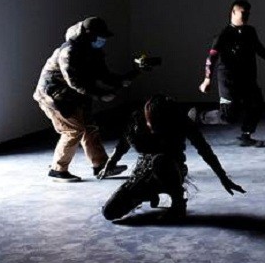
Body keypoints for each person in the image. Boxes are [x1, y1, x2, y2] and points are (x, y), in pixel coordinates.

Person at [100, 94, 245, 222]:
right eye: (152, 125)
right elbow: (123, 144)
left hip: (171, 170)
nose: (155, 130)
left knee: (161, 160)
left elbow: (205, 150)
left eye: (159, 125)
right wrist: (111, 162)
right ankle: (146, 194)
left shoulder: (181, 121)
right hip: (143, 171)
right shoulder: (137, 121)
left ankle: (178, 204)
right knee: (109, 212)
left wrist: (224, 178)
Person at [33, 16, 135, 183]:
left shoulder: (93, 51)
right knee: (73, 130)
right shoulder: (69, 52)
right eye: (100, 37)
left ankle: (101, 165)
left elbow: (104, 75)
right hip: (53, 97)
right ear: (89, 35)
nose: (102, 41)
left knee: (89, 128)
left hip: (74, 97)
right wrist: (101, 95)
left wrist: (125, 78)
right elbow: (75, 83)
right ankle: (58, 170)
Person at [192, 0, 265, 147]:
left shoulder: (250, 32)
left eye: (248, 12)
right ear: (233, 12)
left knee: (256, 105)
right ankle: (198, 117)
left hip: (248, 79)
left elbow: (260, 49)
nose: (247, 15)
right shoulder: (223, 36)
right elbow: (211, 58)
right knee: (228, 117)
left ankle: (246, 135)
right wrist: (207, 79)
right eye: (243, 12)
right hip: (228, 81)